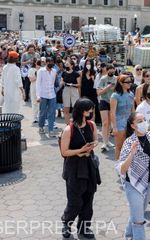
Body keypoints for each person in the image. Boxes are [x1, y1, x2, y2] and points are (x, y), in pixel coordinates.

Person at [117, 112, 150, 240]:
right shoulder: (129, 142)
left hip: (149, 181)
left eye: (144, 120)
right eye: (140, 121)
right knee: (139, 221)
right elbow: (122, 169)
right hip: (133, 184)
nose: (144, 123)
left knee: (138, 213)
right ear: (133, 126)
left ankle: (128, 236)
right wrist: (132, 154)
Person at [60, 98, 100, 239]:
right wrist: (80, 151)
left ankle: (84, 227)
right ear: (82, 111)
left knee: (88, 198)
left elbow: (96, 140)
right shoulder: (68, 129)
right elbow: (64, 152)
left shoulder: (91, 125)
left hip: (89, 166)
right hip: (74, 168)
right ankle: (66, 222)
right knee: (75, 201)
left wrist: (91, 146)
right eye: (89, 109)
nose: (91, 111)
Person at [110, 74, 135, 160]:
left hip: (129, 123)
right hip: (119, 123)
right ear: (121, 83)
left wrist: (135, 122)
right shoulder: (115, 95)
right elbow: (112, 112)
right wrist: (114, 127)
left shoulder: (131, 94)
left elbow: (133, 110)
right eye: (127, 82)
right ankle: (118, 167)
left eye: (130, 81)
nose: (129, 83)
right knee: (119, 146)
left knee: (129, 146)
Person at [97, 64, 117, 152]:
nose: (112, 71)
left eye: (113, 69)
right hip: (104, 101)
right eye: (110, 69)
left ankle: (107, 140)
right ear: (107, 70)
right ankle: (104, 143)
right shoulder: (103, 79)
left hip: (112, 102)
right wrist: (108, 87)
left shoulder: (116, 79)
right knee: (105, 122)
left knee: (109, 123)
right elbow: (99, 93)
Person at [36, 57, 57, 137]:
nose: (51, 63)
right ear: (46, 62)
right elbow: (38, 84)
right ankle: (41, 126)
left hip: (52, 95)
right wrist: (38, 96)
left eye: (52, 62)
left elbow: (53, 83)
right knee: (43, 112)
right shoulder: (41, 71)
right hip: (43, 95)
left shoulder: (54, 71)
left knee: (52, 113)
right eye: (50, 62)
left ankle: (50, 130)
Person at [80, 59, 100, 124]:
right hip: (84, 93)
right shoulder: (82, 72)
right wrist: (79, 94)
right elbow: (80, 84)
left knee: (92, 109)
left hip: (92, 93)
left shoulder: (95, 73)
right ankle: (84, 123)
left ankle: (92, 123)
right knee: (83, 109)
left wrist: (93, 79)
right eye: (87, 63)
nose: (88, 65)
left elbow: (97, 85)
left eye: (89, 63)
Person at [61, 60, 81, 125]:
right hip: (66, 90)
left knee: (75, 108)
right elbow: (61, 82)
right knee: (66, 108)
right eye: (66, 64)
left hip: (74, 90)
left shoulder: (76, 73)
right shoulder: (64, 73)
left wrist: (72, 84)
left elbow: (79, 84)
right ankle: (67, 125)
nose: (66, 65)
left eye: (68, 64)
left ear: (72, 65)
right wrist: (62, 83)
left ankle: (75, 124)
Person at [28, 59, 41, 123]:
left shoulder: (42, 69)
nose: (39, 64)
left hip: (41, 88)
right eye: (38, 62)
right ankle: (35, 117)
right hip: (33, 87)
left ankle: (40, 116)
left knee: (40, 103)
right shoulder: (31, 70)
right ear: (35, 63)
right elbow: (31, 79)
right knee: (34, 102)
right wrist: (37, 75)